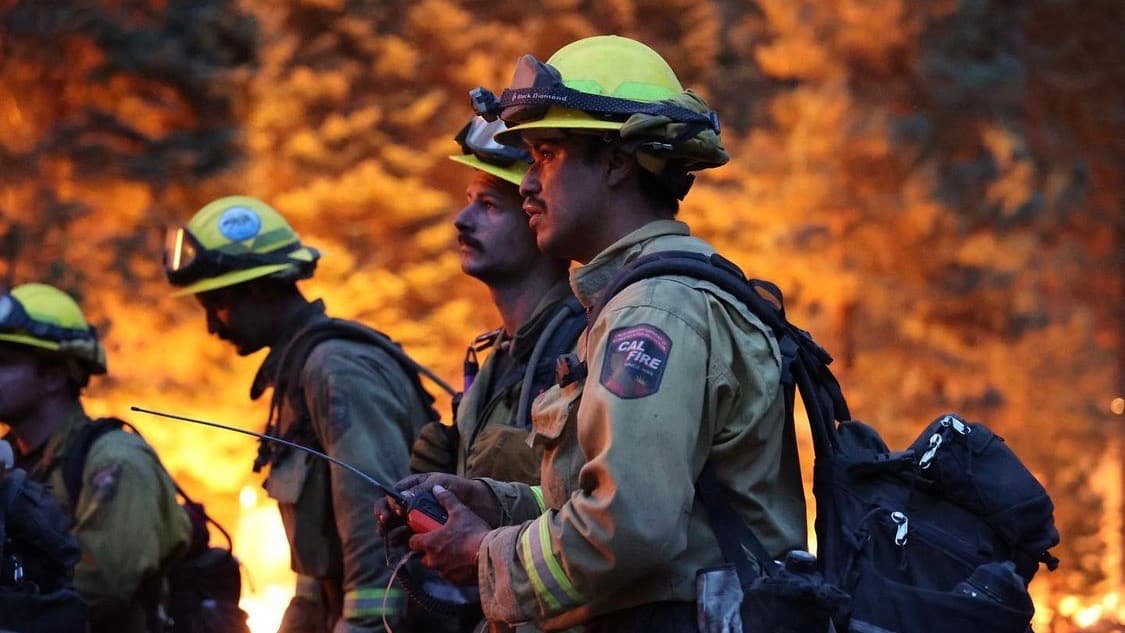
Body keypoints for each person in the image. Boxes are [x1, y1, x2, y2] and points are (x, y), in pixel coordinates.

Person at [382, 35, 808, 631]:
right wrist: (497, 502)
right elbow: (631, 499)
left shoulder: (653, 313)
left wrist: (485, 552)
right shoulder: (637, 301)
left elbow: (626, 527)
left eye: (547, 153)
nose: (527, 182)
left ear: (615, 162)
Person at [165, 196, 439, 633]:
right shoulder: (299, 374)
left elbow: (379, 540)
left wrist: (363, 624)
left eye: (215, 304)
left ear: (256, 288)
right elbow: (319, 555)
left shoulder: (335, 370)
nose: (212, 327)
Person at [0, 283, 191, 633]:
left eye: (5, 363)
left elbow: (104, 587)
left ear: (55, 376)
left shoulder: (115, 460)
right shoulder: (10, 461)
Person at [409, 115, 583, 487]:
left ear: (536, 218)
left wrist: (535, 466)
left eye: (488, 205)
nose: (461, 220)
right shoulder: (499, 356)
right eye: (468, 201)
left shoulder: (584, 345)